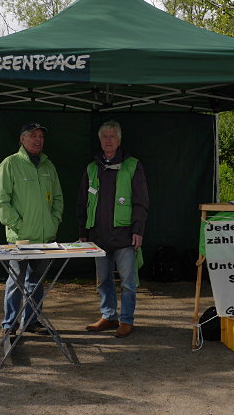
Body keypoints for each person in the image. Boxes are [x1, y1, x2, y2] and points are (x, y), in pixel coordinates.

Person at [77, 120, 149, 338]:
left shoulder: (133, 165)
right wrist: (83, 232)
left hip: (124, 236)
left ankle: (126, 320)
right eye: (104, 137)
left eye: (112, 137)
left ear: (119, 140)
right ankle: (108, 316)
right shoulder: (92, 168)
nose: (108, 140)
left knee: (128, 282)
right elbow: (82, 202)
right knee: (103, 281)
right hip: (98, 236)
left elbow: (141, 201)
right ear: (100, 141)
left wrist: (138, 230)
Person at [0, 123, 63, 336]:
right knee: (16, 281)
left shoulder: (48, 166)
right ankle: (10, 325)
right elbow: (2, 201)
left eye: (41, 136)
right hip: (21, 239)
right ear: (22, 139)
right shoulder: (10, 164)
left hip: (46, 238)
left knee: (37, 282)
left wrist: (54, 221)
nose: (38, 140)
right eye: (33, 136)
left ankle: (32, 321)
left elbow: (58, 198)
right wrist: (18, 226)